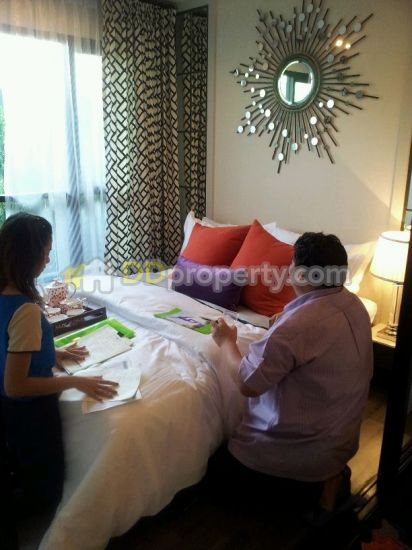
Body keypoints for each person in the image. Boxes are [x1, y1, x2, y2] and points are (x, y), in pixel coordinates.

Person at [210, 232, 373, 518]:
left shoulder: (297, 326)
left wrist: (226, 342)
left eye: (292, 264)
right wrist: (284, 323)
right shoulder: (354, 305)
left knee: (216, 470)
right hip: (340, 439)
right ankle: (330, 479)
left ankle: (310, 491)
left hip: (300, 449)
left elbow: (247, 383)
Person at [0, 212, 118, 516]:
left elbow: (10, 346)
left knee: (29, 469)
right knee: (47, 486)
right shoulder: (26, 310)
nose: (48, 259)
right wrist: (76, 381)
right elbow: (16, 385)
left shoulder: (5, 295)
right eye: (46, 252)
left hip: (12, 413)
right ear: (30, 256)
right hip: (31, 412)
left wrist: (54, 353)